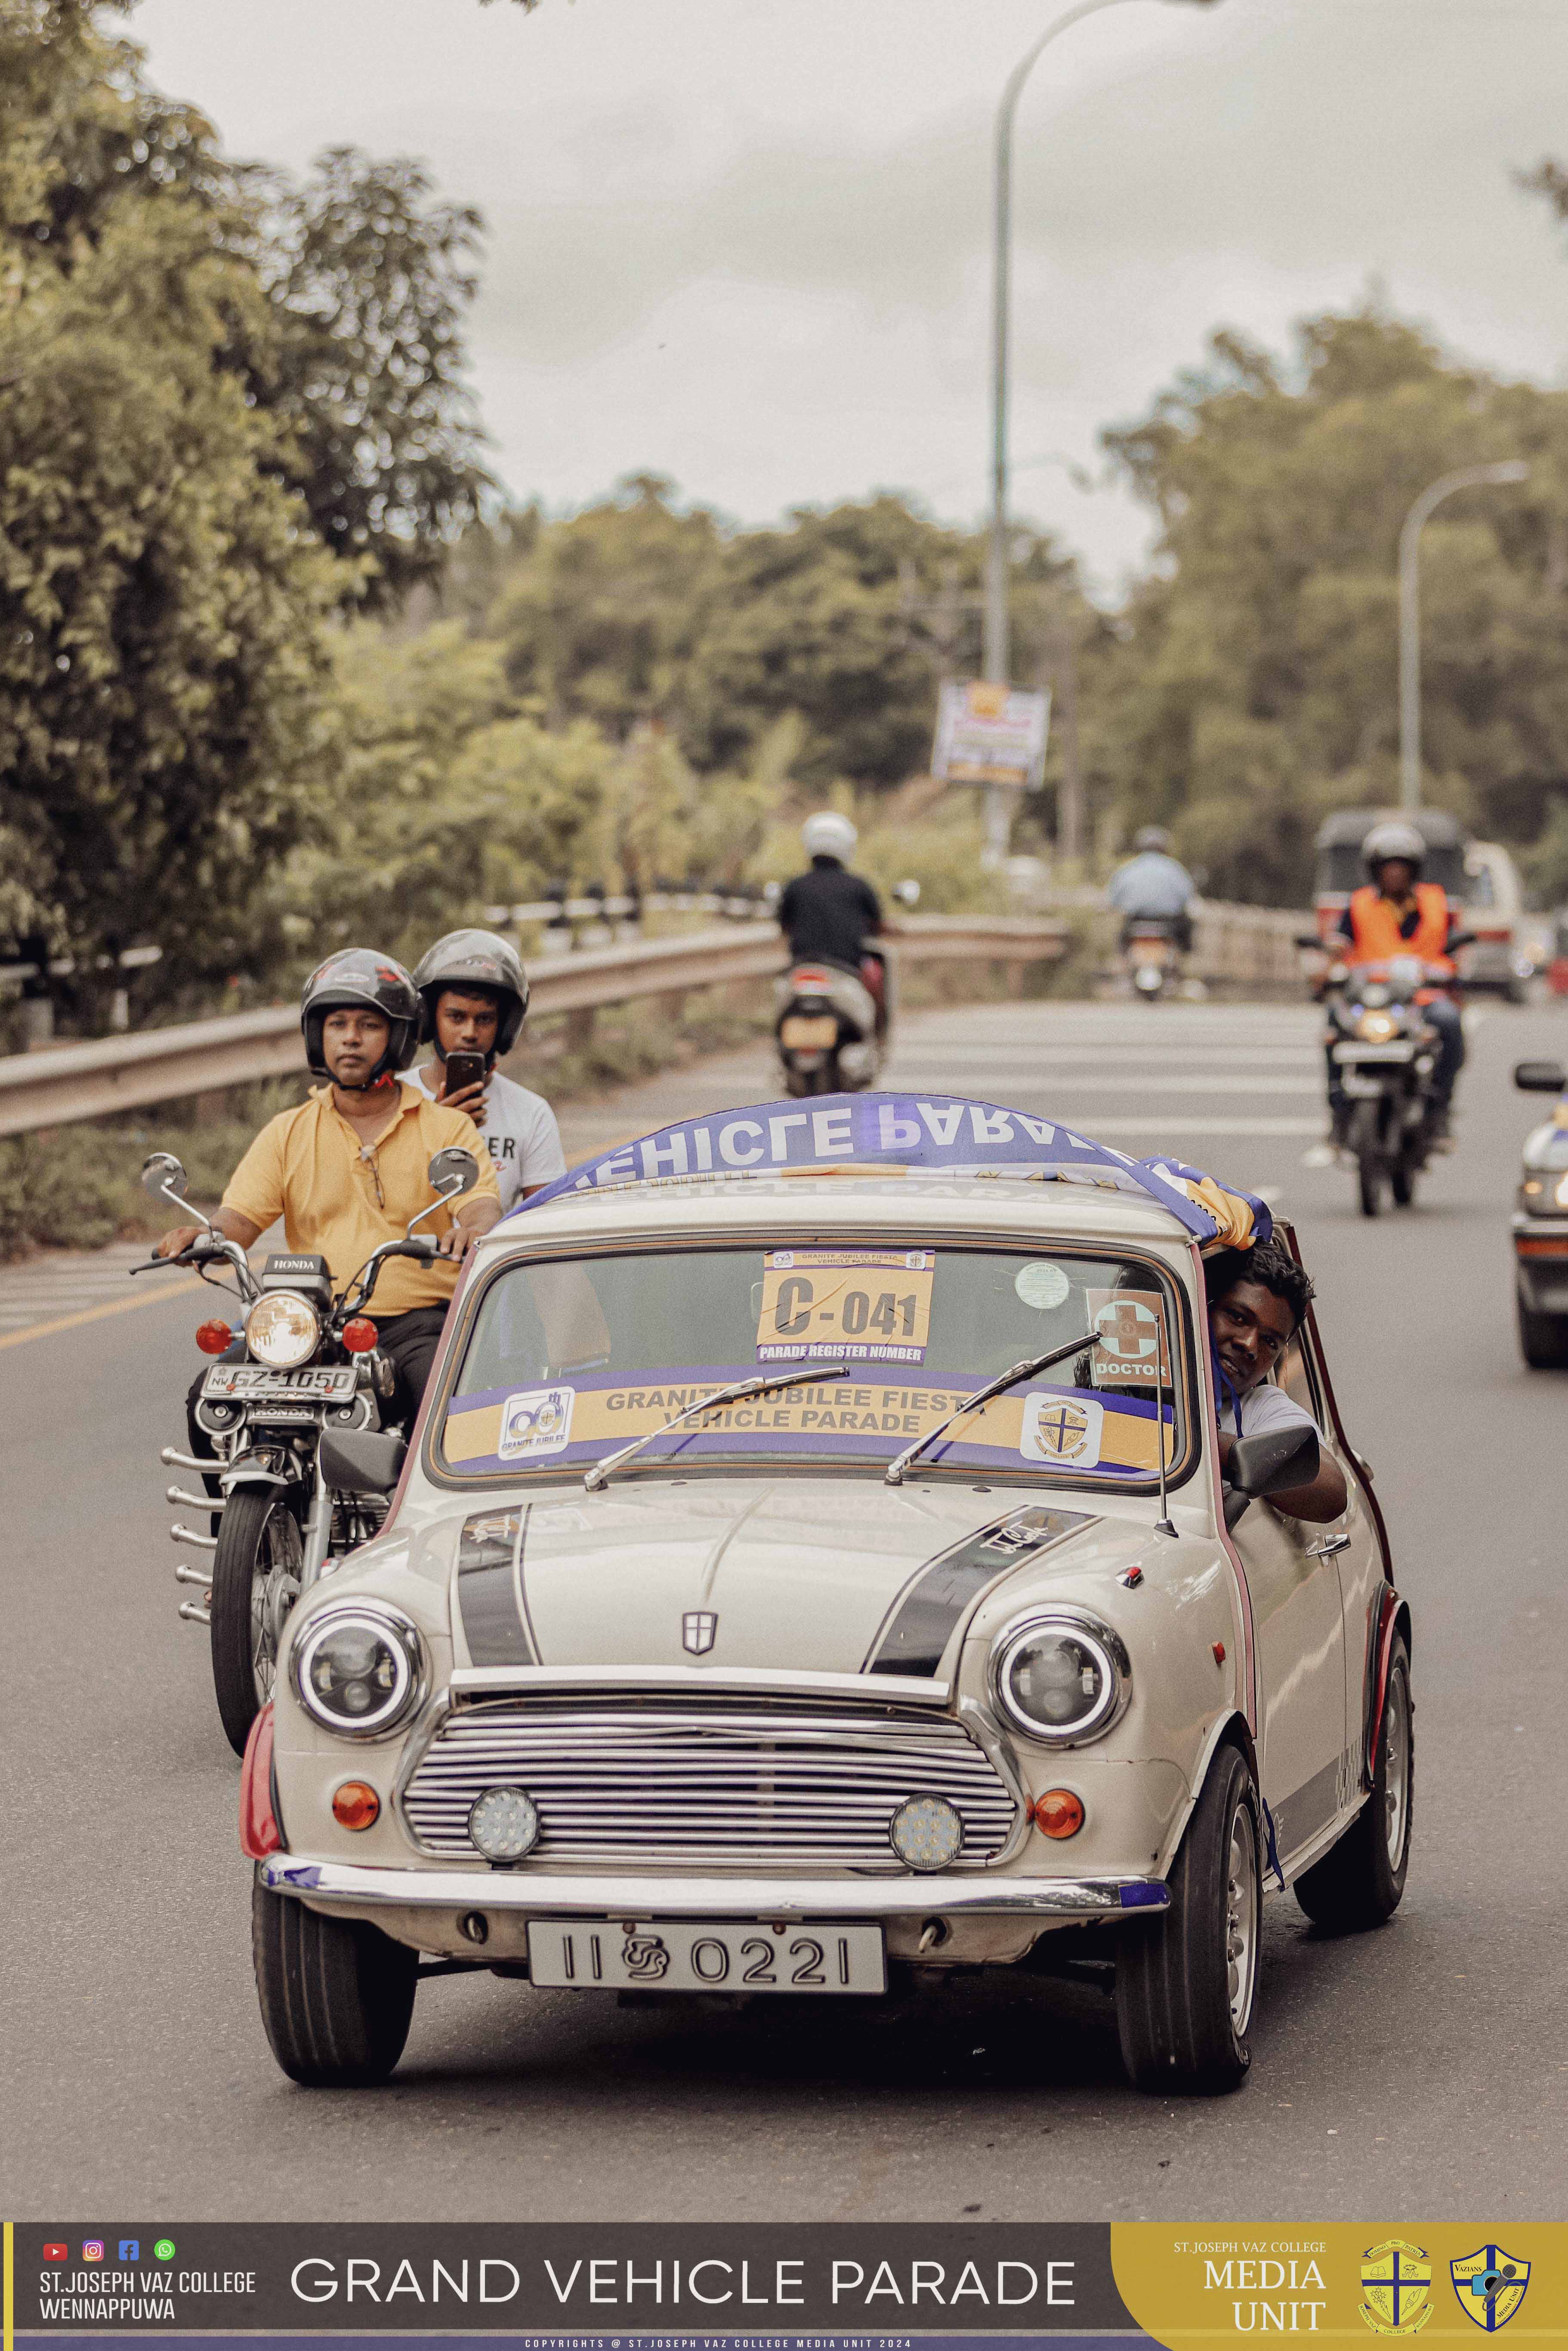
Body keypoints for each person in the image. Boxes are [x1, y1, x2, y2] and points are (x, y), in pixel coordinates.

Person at [157, 948, 502, 1435]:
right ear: (318, 1036)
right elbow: (239, 1221)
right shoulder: (288, 1131)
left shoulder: (447, 1127)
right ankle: (229, 1511)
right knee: (210, 1398)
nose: (351, 1039)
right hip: (308, 1323)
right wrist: (203, 1236)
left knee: (450, 1414)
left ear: (399, 1035)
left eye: (368, 1025)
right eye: (337, 1023)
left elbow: (480, 1202)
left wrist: (473, 1229)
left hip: (414, 1324)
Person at [406, 929, 566, 1214]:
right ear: (430, 1020)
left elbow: (545, 1222)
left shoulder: (531, 1114)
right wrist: (439, 1133)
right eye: (456, 1017)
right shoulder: (393, 1101)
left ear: (504, 1027)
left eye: (485, 1019)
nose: (470, 1033)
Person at [1331, 818, 1465, 1139]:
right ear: (1375, 871)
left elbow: (1454, 946)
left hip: (1422, 999)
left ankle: (1438, 1108)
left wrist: (1453, 971)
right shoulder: (1359, 905)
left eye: (1401, 867)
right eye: (1387, 867)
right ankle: (1338, 1110)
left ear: (1413, 870)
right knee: (1332, 1025)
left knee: (1449, 1022)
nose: (1394, 873)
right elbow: (1340, 944)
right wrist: (1328, 965)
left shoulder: (1436, 903)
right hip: (1374, 999)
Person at [1205, 1242, 1348, 1525]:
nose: (1249, 1345)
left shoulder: (1261, 1408)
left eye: (1270, 1342)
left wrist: (1204, 1446)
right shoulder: (1110, 1377)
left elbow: (1331, 1493)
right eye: (1237, 1317)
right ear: (1202, 1308)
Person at [778, 811, 886, 1035]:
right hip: (844, 973)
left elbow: (783, 924)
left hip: (801, 970)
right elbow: (877, 923)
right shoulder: (859, 887)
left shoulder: (795, 887)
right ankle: (878, 1038)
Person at [1106, 826, 1198, 953]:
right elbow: (1189, 898)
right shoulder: (1175, 869)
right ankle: (1179, 962)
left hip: (1135, 923)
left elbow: (1113, 900)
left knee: (1122, 947)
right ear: (1164, 848)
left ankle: (1125, 965)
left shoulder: (1128, 869)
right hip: (1169, 924)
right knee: (1186, 937)